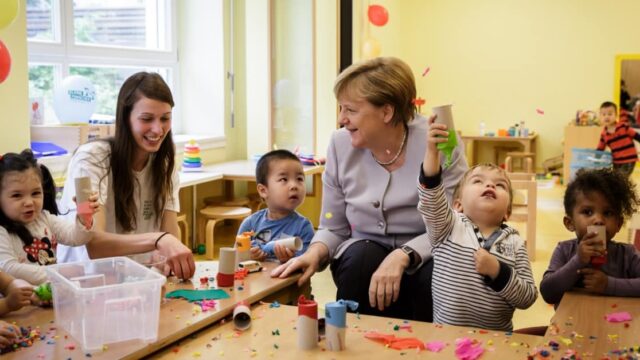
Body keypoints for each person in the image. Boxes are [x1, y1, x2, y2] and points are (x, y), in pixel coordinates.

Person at [272, 57, 468, 322]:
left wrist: (404, 255)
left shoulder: (441, 143)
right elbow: (333, 225)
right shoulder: (340, 145)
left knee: (433, 275)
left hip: (428, 249)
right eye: (341, 108)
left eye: (350, 110)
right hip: (363, 249)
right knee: (361, 260)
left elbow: (455, 224)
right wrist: (314, 254)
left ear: (386, 112)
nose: (341, 119)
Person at [56, 72, 195, 280]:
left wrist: (166, 257)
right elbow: (95, 245)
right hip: (86, 283)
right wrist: (158, 240)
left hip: (138, 283)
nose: (158, 129)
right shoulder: (90, 160)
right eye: (147, 119)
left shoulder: (165, 164)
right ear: (125, 118)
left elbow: (170, 236)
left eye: (165, 118)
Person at [418, 119, 538, 331]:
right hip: (446, 339)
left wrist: (498, 272)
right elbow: (431, 198)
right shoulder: (448, 226)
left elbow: (527, 297)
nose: (490, 184)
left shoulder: (516, 243)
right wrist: (432, 152)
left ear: (507, 211)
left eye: (500, 185)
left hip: (497, 342)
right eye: (478, 181)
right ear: (458, 205)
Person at [540, 168, 640, 306]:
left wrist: (609, 285)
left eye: (608, 213)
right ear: (570, 223)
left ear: (618, 224)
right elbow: (548, 293)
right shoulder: (564, 250)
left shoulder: (627, 254)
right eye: (588, 212)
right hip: (570, 326)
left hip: (616, 324)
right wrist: (578, 260)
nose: (598, 220)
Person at [0, 150, 97, 284]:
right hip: (20, 302)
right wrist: (59, 273)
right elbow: (8, 269)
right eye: (17, 195)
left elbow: (77, 238)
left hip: (50, 296)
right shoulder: (2, 231)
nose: (29, 202)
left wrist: (84, 216)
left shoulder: (45, 218)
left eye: (35, 193)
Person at [238, 150, 314, 263]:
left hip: (288, 280)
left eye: (299, 179)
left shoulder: (303, 227)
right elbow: (235, 257)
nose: (294, 186)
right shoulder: (250, 224)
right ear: (263, 191)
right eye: (284, 179)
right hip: (255, 280)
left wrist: (289, 260)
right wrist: (247, 256)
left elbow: (307, 265)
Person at [596, 101, 640, 178]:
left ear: (616, 115)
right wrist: (596, 158)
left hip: (629, 159)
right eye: (604, 114)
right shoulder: (604, 134)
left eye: (610, 114)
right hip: (616, 161)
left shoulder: (623, 126)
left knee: (621, 178)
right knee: (616, 178)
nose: (607, 117)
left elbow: (636, 135)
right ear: (600, 117)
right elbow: (600, 148)